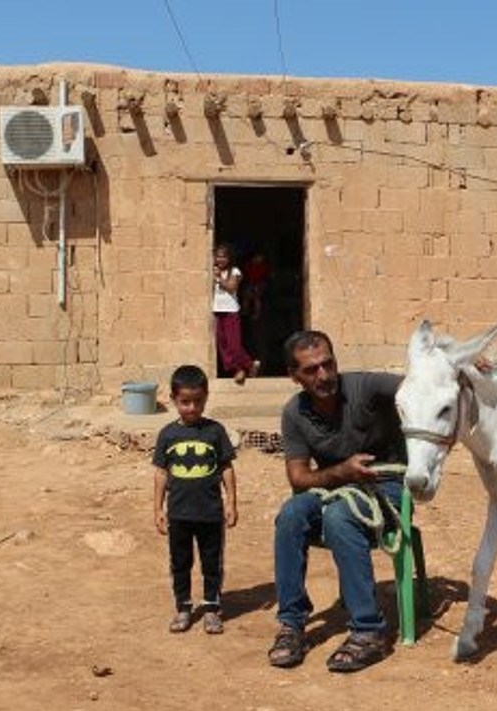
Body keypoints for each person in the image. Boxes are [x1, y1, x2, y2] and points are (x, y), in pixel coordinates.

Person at [267, 329, 407, 673]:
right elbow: (298, 479)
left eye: (328, 364)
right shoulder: (294, 413)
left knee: (339, 517)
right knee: (290, 514)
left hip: (386, 486)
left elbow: (419, 386)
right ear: (294, 376)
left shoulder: (366, 387)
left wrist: (461, 370)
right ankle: (291, 624)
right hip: (335, 487)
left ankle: (368, 631)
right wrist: (342, 472)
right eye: (311, 369)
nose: (324, 375)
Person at [152, 364, 239, 635]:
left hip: (210, 513)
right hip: (179, 514)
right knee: (180, 562)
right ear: (173, 399)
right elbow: (161, 473)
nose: (192, 408)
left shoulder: (215, 431)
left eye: (198, 401)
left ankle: (212, 607)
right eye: (185, 402)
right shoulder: (168, 434)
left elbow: (226, 468)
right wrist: (158, 508)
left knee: (212, 561)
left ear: (206, 397)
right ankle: (183, 607)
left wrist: (232, 502)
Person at [212, 244, 260, 384]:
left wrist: (219, 278)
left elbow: (231, 288)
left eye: (223, 256)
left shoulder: (235, 271)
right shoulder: (213, 270)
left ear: (229, 258)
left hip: (231, 311)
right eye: (218, 256)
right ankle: (250, 365)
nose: (220, 259)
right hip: (218, 311)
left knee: (234, 344)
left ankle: (240, 369)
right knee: (223, 344)